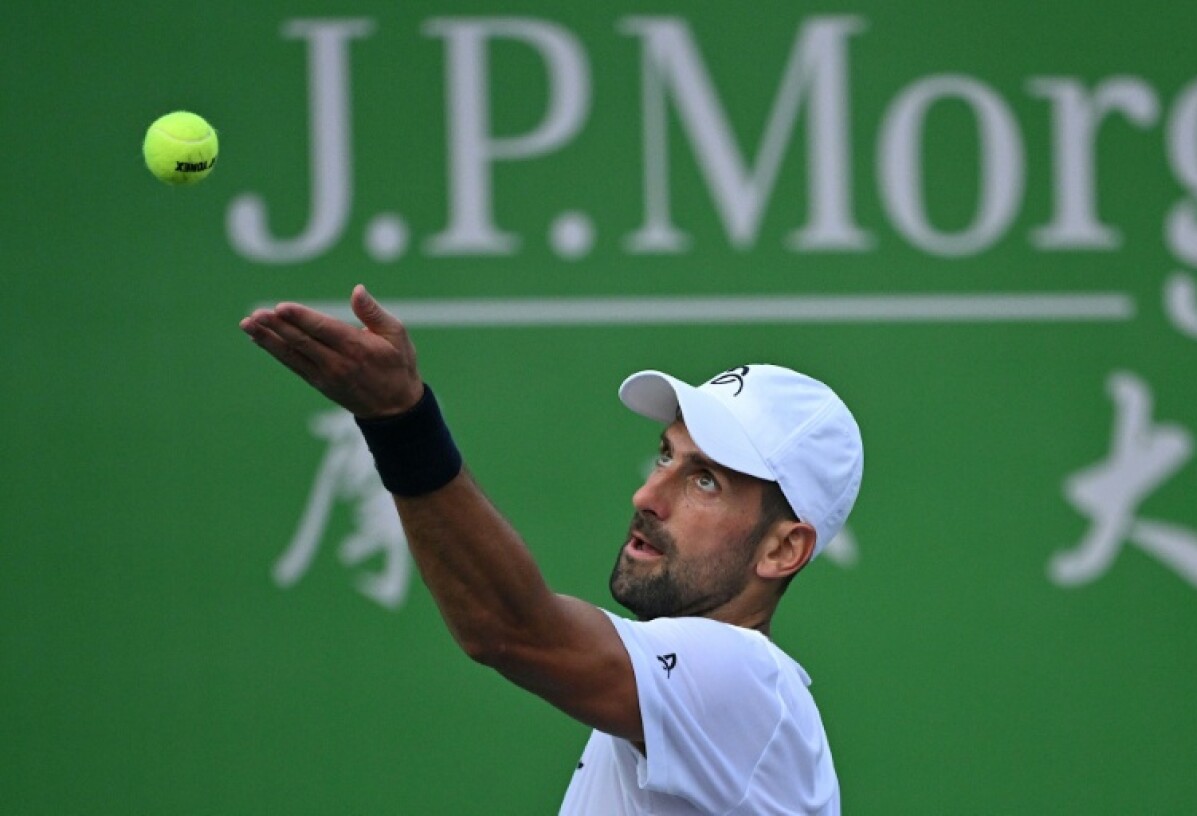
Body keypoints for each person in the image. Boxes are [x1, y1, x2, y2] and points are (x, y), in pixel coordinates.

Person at [240, 285, 864, 815]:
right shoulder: (688, 701)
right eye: (666, 455)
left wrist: (400, 421)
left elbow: (510, 628)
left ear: (784, 550)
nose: (647, 493)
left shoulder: (743, 679)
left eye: (705, 480)